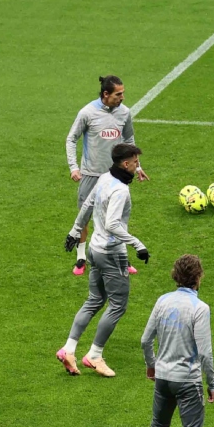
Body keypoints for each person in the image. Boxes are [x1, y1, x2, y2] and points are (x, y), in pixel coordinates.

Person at [59, 144, 149, 378]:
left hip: (94, 250)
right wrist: (138, 244)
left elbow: (87, 204)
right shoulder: (120, 190)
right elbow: (112, 224)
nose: (138, 164)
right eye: (136, 161)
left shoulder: (104, 177)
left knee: (94, 299)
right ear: (126, 164)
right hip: (111, 253)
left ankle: (68, 350)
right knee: (118, 305)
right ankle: (95, 355)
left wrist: (75, 230)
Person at [141, 254, 214, 427]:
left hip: (163, 378)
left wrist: (152, 366)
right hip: (188, 381)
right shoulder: (200, 308)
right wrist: (212, 383)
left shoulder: (162, 301)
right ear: (197, 277)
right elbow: (205, 352)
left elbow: (145, 340)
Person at [65, 75, 146, 276]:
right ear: (106, 94)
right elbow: (71, 139)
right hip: (91, 174)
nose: (123, 97)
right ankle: (81, 258)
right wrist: (74, 167)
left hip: (115, 176)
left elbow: (129, 139)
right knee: (84, 216)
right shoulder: (87, 113)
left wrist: (137, 167)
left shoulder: (124, 113)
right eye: (119, 94)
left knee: (116, 219)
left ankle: (122, 258)